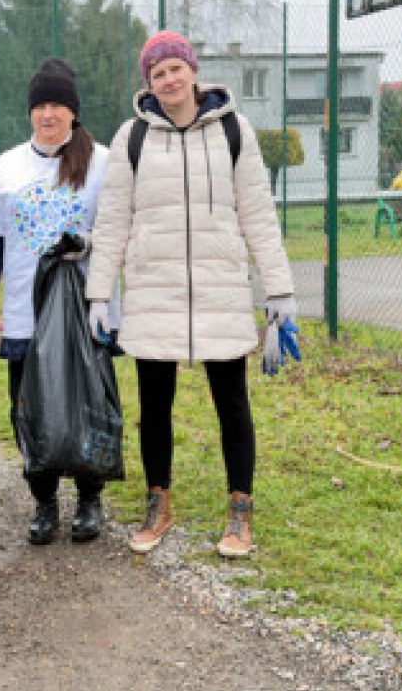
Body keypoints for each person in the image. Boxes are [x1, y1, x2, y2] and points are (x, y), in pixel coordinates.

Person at [85, 30, 298, 559]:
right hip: (153, 291)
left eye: (176, 68)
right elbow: (112, 222)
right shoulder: (131, 138)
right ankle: (159, 502)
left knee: (232, 404)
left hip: (220, 288)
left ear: (194, 71)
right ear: (149, 84)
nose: (169, 79)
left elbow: (258, 214)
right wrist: (98, 294)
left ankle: (240, 510)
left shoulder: (234, 132)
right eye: (158, 73)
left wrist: (279, 288)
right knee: (154, 406)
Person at [0, 58, 114, 546]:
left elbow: (120, 229)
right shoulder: (7, 167)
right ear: (31, 111)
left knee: (87, 404)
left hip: (83, 312)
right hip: (26, 315)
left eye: (58, 105)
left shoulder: (103, 163)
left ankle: (90, 499)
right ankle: (45, 501)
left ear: (74, 112)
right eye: (41, 105)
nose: (49, 114)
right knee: (29, 407)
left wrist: (88, 244)